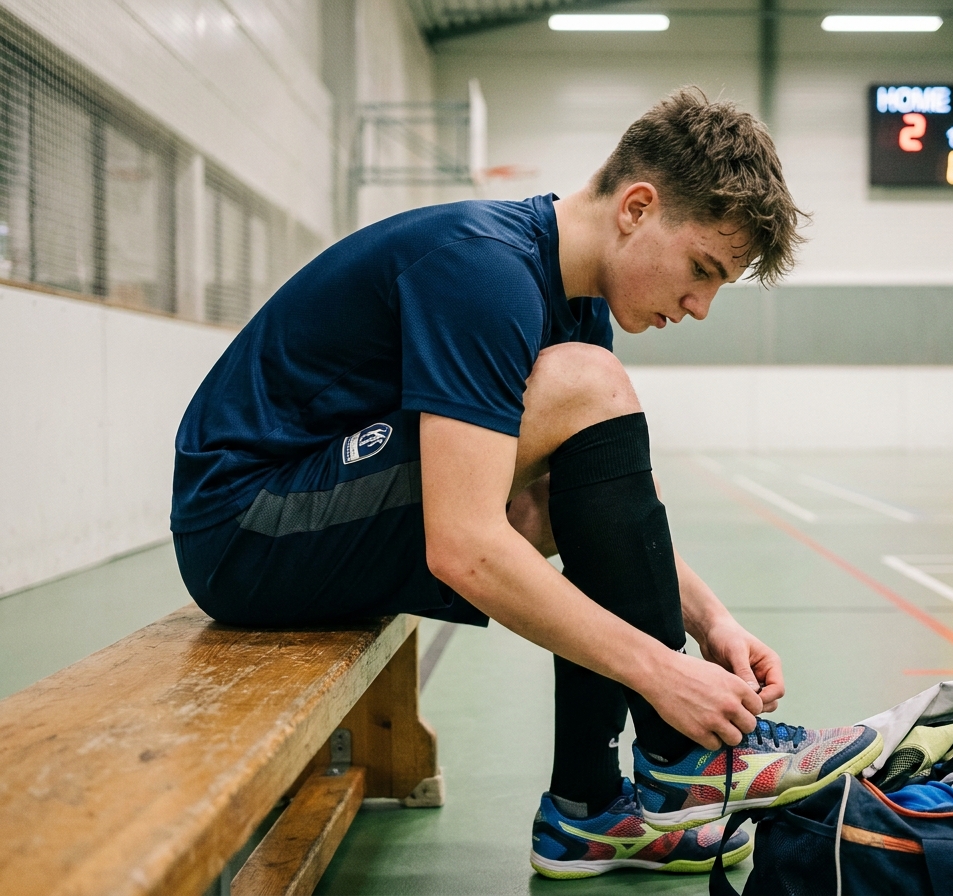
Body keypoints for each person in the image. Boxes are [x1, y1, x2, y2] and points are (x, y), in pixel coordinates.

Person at [171, 88, 882, 880]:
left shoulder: (575, 306)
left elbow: (582, 515)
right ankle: (683, 757)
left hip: (296, 518)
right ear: (637, 208)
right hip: (244, 526)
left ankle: (586, 809)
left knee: (568, 473)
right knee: (585, 387)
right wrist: (661, 672)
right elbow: (464, 545)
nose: (701, 306)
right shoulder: (486, 270)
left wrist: (712, 624)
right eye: (701, 270)